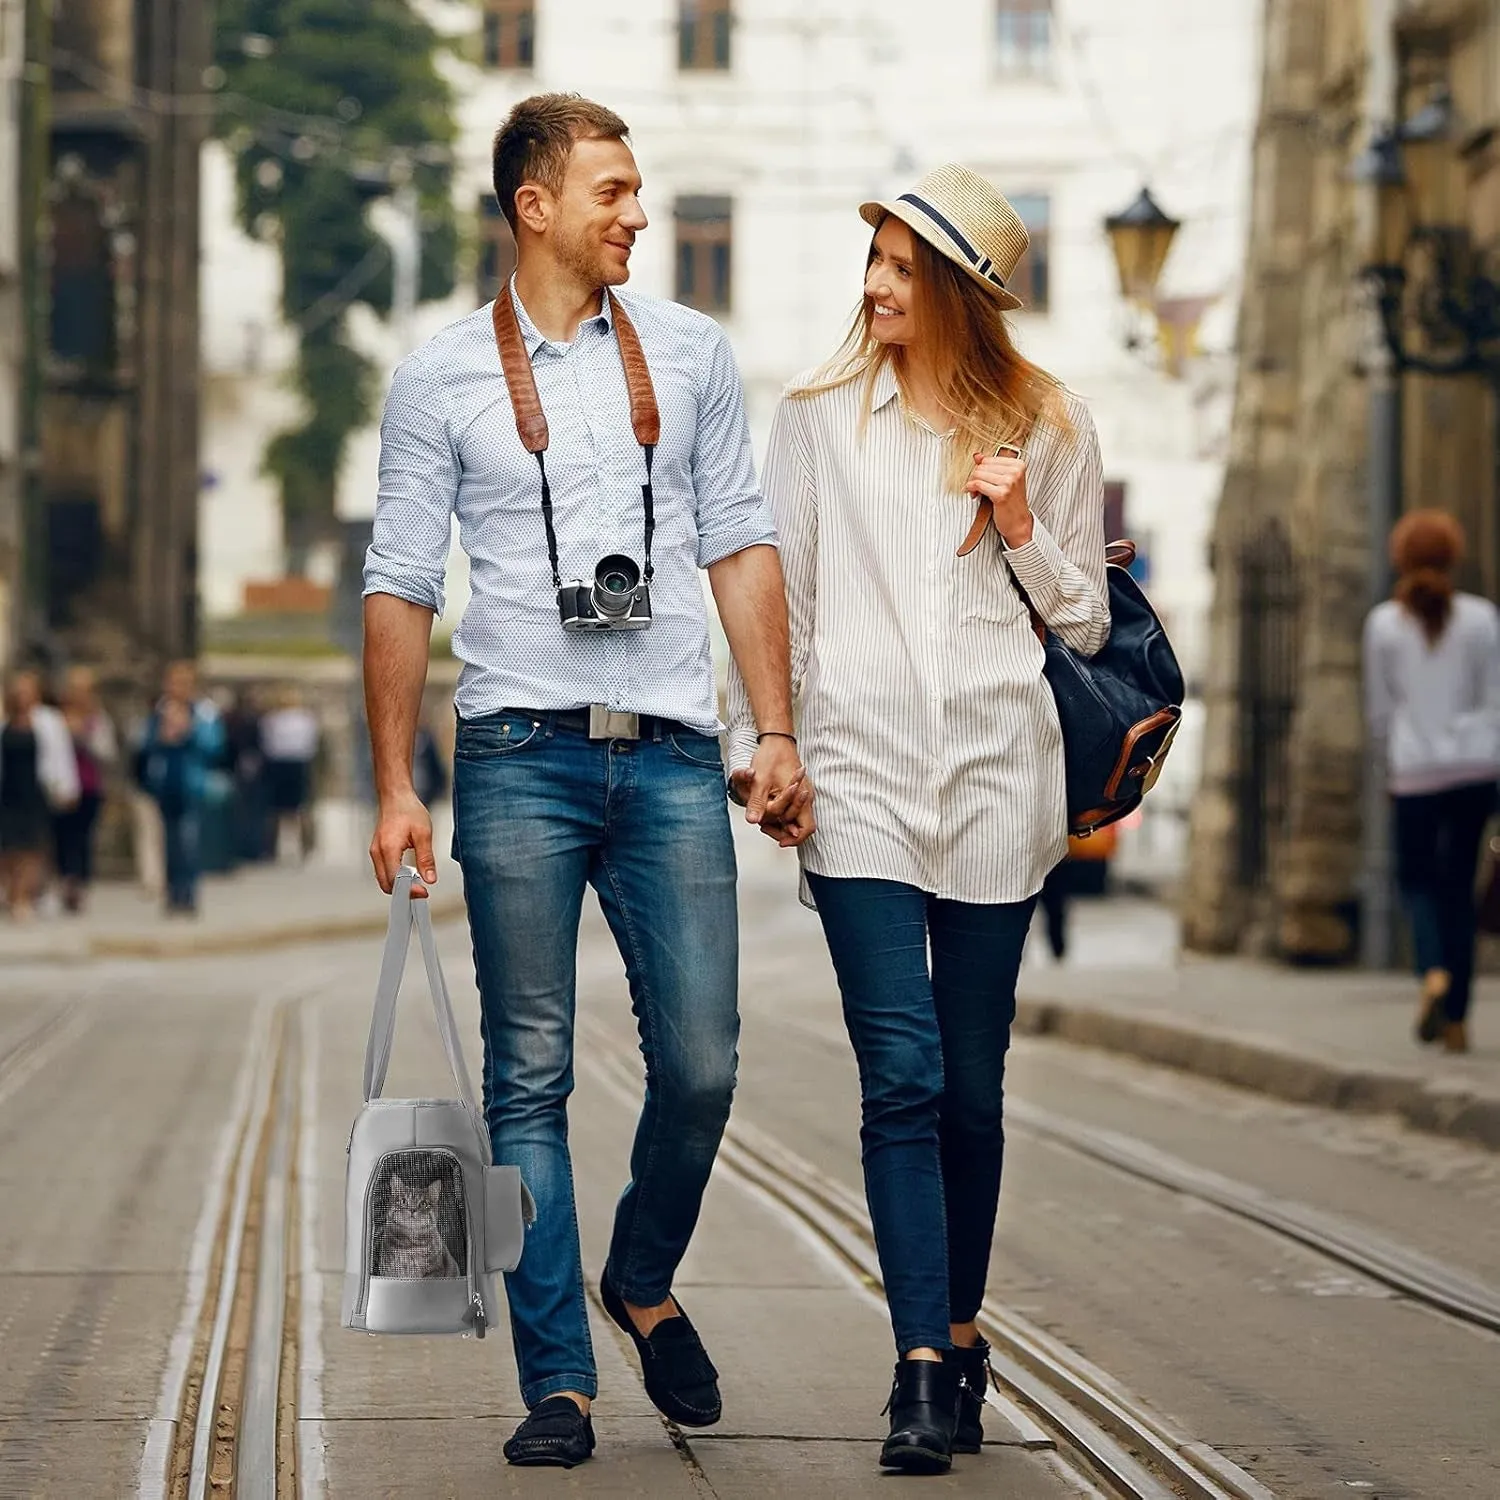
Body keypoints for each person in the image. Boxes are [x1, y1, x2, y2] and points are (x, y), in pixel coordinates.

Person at [362, 93, 808, 1469]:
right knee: (528, 1079)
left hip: (673, 751)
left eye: (639, 187)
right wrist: (394, 781)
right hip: (514, 754)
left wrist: (773, 731)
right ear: (533, 205)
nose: (640, 212)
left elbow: (738, 542)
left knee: (704, 1062)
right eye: (613, 190)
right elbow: (398, 583)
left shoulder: (690, 354)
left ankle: (641, 1273)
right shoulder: (440, 377)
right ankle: (558, 1380)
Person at [726, 165, 1108, 1474]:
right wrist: (768, 741)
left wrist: (1017, 521)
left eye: (901, 262)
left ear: (959, 288)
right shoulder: (819, 418)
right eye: (875, 257)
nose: (876, 280)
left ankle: (958, 1321)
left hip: (1003, 778)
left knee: (974, 1093)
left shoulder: (1051, 422)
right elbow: (789, 597)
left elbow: (1086, 623)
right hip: (862, 780)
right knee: (903, 1078)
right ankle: (924, 1371)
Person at [1363, 510, 1500, 1054]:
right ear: (1453, 556)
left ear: (1401, 560)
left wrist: (1388, 766)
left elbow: (1378, 712)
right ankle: (1459, 1021)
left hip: (1415, 773)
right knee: (1458, 890)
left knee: (1416, 882)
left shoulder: (1384, 625)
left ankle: (1433, 973)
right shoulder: (1483, 620)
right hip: (1475, 771)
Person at [136, 661, 228, 914]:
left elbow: (215, 746)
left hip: (191, 783)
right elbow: (144, 744)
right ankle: (171, 892)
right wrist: (161, 736)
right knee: (167, 842)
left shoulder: (203, 712)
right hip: (164, 782)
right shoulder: (159, 711)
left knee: (188, 840)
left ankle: (188, 893)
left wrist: (189, 731)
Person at [1, 670, 80, 920]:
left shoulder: (49, 721)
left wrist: (67, 787)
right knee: (8, 846)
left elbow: (61, 757)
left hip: (35, 791)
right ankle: (11, 891)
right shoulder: (5, 722)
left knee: (32, 846)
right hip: (8, 790)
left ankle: (24, 897)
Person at [54, 666, 119, 913]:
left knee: (83, 836)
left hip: (88, 785)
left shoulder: (98, 718)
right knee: (61, 835)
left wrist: (83, 737)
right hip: (61, 786)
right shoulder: (56, 716)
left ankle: (80, 884)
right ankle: (65, 881)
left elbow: (107, 752)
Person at [258, 686, 320, 864]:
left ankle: (293, 846)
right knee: (287, 809)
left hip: (286, 763)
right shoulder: (283, 719)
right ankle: (288, 846)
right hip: (291, 763)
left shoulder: (276, 720)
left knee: (286, 809)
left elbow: (267, 744)